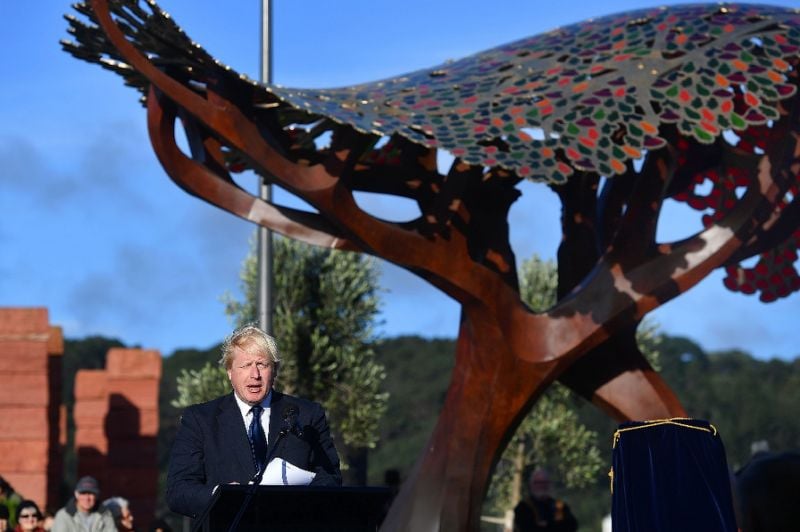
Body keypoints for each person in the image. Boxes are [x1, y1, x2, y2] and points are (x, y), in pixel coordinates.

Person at [166, 325, 342, 518]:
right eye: (245, 365)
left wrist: (295, 503)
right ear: (230, 372)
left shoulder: (307, 415)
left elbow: (330, 478)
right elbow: (179, 490)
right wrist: (220, 496)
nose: (255, 375)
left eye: (262, 365)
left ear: (274, 371)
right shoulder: (200, 419)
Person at [513, 468, 577, 532]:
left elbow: (572, 526)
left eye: (544, 482)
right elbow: (527, 528)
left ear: (549, 484)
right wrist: (555, 525)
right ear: (532, 485)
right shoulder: (523, 508)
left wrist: (547, 525)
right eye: (538, 483)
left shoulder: (559, 506)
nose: (542, 486)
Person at [52, 476, 116, 532]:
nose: (87, 498)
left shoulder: (105, 515)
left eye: (91, 494)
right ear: (76, 494)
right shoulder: (63, 516)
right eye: (83, 493)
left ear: (96, 496)